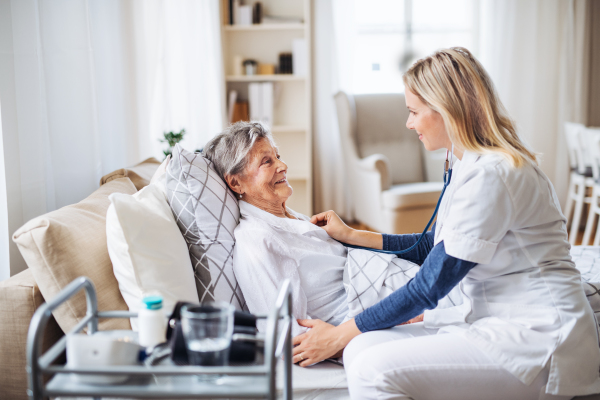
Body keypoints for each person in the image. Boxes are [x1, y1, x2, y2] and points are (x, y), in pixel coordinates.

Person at [292, 47, 600, 399]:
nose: (408, 124)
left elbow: (430, 285)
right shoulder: (467, 162)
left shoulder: (493, 174)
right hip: (495, 319)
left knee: (370, 368)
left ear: (447, 111)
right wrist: (350, 235)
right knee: (360, 349)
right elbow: (431, 246)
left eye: (413, 112)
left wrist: (338, 332)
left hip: (539, 337)